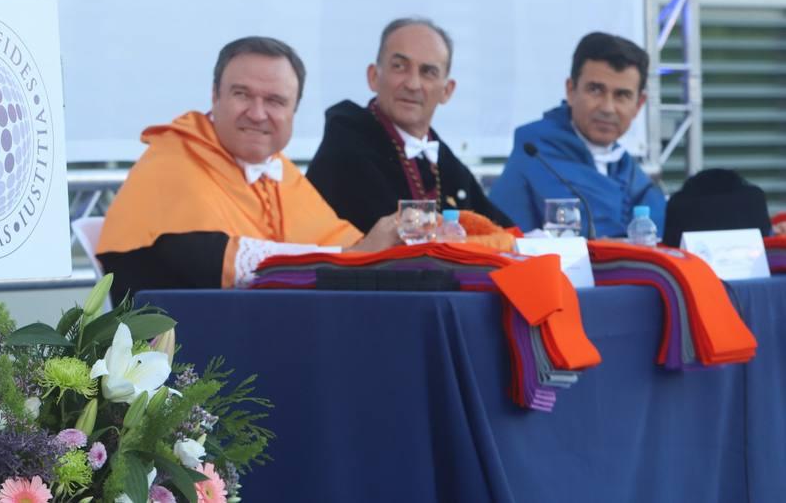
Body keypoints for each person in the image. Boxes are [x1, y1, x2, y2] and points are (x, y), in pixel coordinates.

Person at [96, 37, 401, 302]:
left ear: (294, 111)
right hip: (184, 351)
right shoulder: (172, 159)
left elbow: (340, 242)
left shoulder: (275, 168)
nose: (257, 114)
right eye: (242, 94)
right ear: (215, 96)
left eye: (275, 101)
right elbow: (219, 262)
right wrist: (350, 259)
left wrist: (406, 240)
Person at [305, 17, 516, 247]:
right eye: (399, 66)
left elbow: (502, 230)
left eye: (428, 72)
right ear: (374, 76)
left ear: (447, 90)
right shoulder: (347, 144)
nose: (413, 84)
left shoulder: (438, 155)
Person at [491, 32, 667, 238]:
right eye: (595, 90)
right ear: (571, 90)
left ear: (639, 105)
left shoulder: (627, 169)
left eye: (622, 95)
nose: (608, 108)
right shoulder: (536, 153)